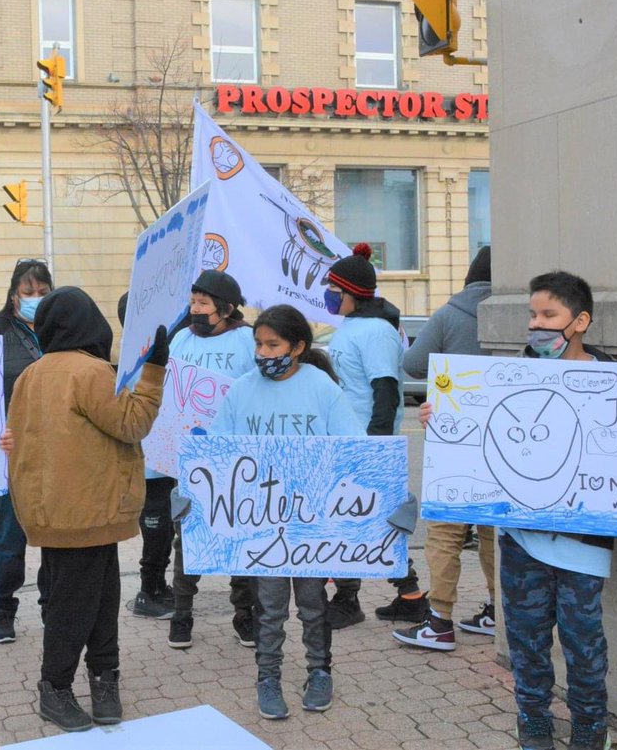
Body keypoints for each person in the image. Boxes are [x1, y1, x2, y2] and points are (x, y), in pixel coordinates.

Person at [415, 271, 617, 750]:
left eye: (549, 315)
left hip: (582, 547)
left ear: (581, 320)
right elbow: (474, 447)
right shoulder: (502, 381)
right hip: (523, 541)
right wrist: (442, 420)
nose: (537, 324)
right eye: (532, 314)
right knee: (528, 643)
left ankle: (591, 728)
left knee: (584, 644)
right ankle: (532, 722)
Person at [0, 287, 167, 732]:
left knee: (92, 596)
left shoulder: (30, 375)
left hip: (54, 513)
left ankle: (104, 678)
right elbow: (133, 423)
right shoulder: (91, 372)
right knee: (79, 606)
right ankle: (55, 687)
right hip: (88, 511)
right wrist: (155, 369)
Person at [209, 304, 364, 720]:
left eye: (272, 344)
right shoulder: (241, 389)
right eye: (258, 344)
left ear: (297, 347)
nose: (262, 352)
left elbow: (354, 448)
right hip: (261, 521)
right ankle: (269, 678)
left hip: (312, 520)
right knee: (271, 606)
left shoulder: (322, 388)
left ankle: (319, 673)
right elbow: (218, 451)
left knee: (313, 603)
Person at [392, 245, 497, 650]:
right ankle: (494, 611)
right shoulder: (521, 313)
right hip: (504, 441)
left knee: (445, 532)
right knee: (492, 530)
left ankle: (440, 621)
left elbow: (413, 364)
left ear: (469, 277)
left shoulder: (451, 314)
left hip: (455, 437)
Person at [161, 270, 258, 649]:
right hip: (189, 459)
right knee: (187, 538)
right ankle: (182, 614)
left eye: (203, 304)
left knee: (240, 535)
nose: (195, 310)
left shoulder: (249, 341)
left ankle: (244, 614)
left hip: (238, 458)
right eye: (192, 303)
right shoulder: (181, 338)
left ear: (226, 308)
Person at [319, 243, 411, 630]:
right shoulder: (351, 327)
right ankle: (407, 596)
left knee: (364, 522)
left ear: (351, 292)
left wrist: (376, 445)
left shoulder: (375, 331)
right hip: (344, 438)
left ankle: (353, 598)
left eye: (333, 289)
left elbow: (385, 388)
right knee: (357, 521)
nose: (327, 295)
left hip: (364, 442)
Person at [0, 258, 54, 642]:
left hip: (56, 450)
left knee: (56, 534)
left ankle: (50, 606)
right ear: (12, 296)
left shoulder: (61, 328)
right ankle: (4, 608)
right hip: (10, 451)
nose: (36, 300)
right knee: (10, 536)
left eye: (43, 293)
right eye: (28, 293)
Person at [115, 292, 177, 621]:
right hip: (148, 464)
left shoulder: (165, 349)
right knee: (155, 531)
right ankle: (148, 590)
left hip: (169, 459)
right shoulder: (129, 360)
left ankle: (160, 585)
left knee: (166, 529)